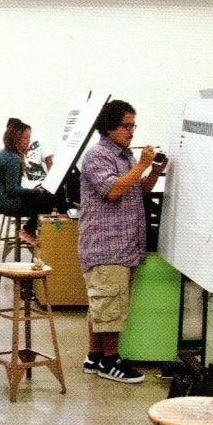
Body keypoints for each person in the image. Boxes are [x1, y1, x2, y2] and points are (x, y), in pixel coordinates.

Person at [77, 100, 167, 384]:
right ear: (108, 127)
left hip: (123, 244)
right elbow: (113, 190)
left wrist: (151, 171)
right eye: (126, 126)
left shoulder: (125, 155)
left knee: (102, 304)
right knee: (109, 305)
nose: (131, 131)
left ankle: (94, 355)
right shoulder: (97, 156)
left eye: (133, 125)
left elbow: (135, 191)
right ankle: (109, 361)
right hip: (107, 245)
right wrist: (141, 164)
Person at [0, 118, 59, 245]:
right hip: (5, 202)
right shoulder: (13, 159)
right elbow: (12, 189)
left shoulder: (7, 154)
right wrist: (34, 191)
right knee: (50, 201)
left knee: (45, 199)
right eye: (25, 138)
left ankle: (32, 231)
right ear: (16, 139)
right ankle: (28, 230)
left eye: (29, 138)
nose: (29, 141)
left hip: (0, 200)